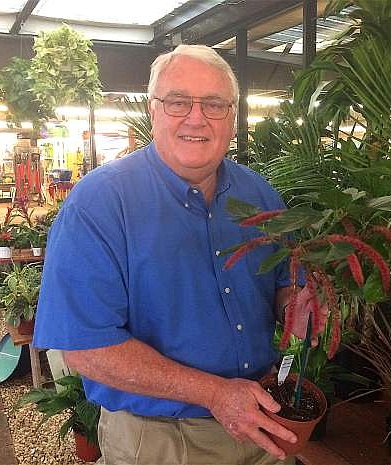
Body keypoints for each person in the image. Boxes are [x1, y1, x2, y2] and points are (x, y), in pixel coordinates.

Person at [33, 44, 325, 465]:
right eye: (177, 102)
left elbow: (284, 282)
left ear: (232, 116)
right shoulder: (100, 203)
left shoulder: (259, 195)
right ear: (153, 111)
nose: (196, 117)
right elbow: (85, 348)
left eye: (214, 104)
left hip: (263, 423)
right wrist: (215, 394)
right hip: (161, 442)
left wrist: (296, 302)